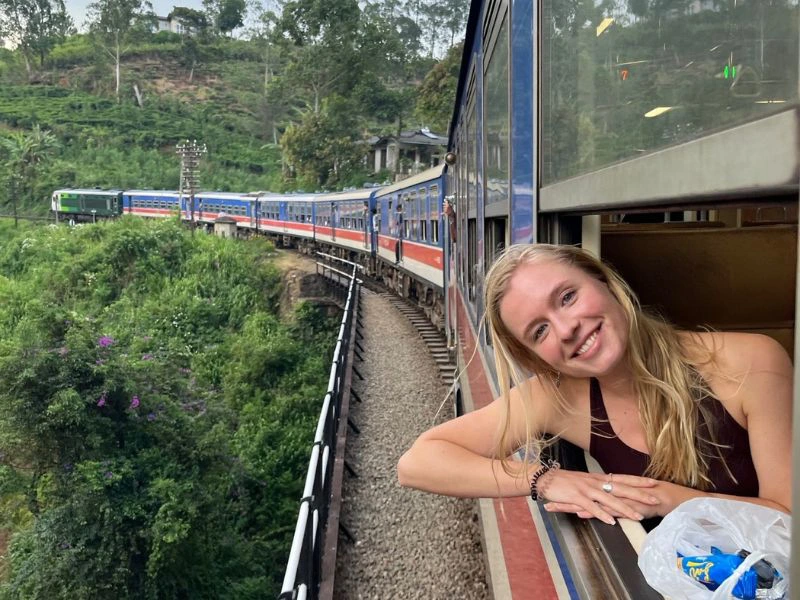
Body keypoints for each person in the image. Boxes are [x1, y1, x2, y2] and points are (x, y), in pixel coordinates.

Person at [397, 244, 792, 524]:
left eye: (567, 297)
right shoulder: (558, 398)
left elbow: (788, 516)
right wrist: (544, 479)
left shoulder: (750, 363)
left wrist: (671, 501)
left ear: (603, 281)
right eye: (539, 331)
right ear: (536, 357)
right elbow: (417, 463)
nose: (567, 328)